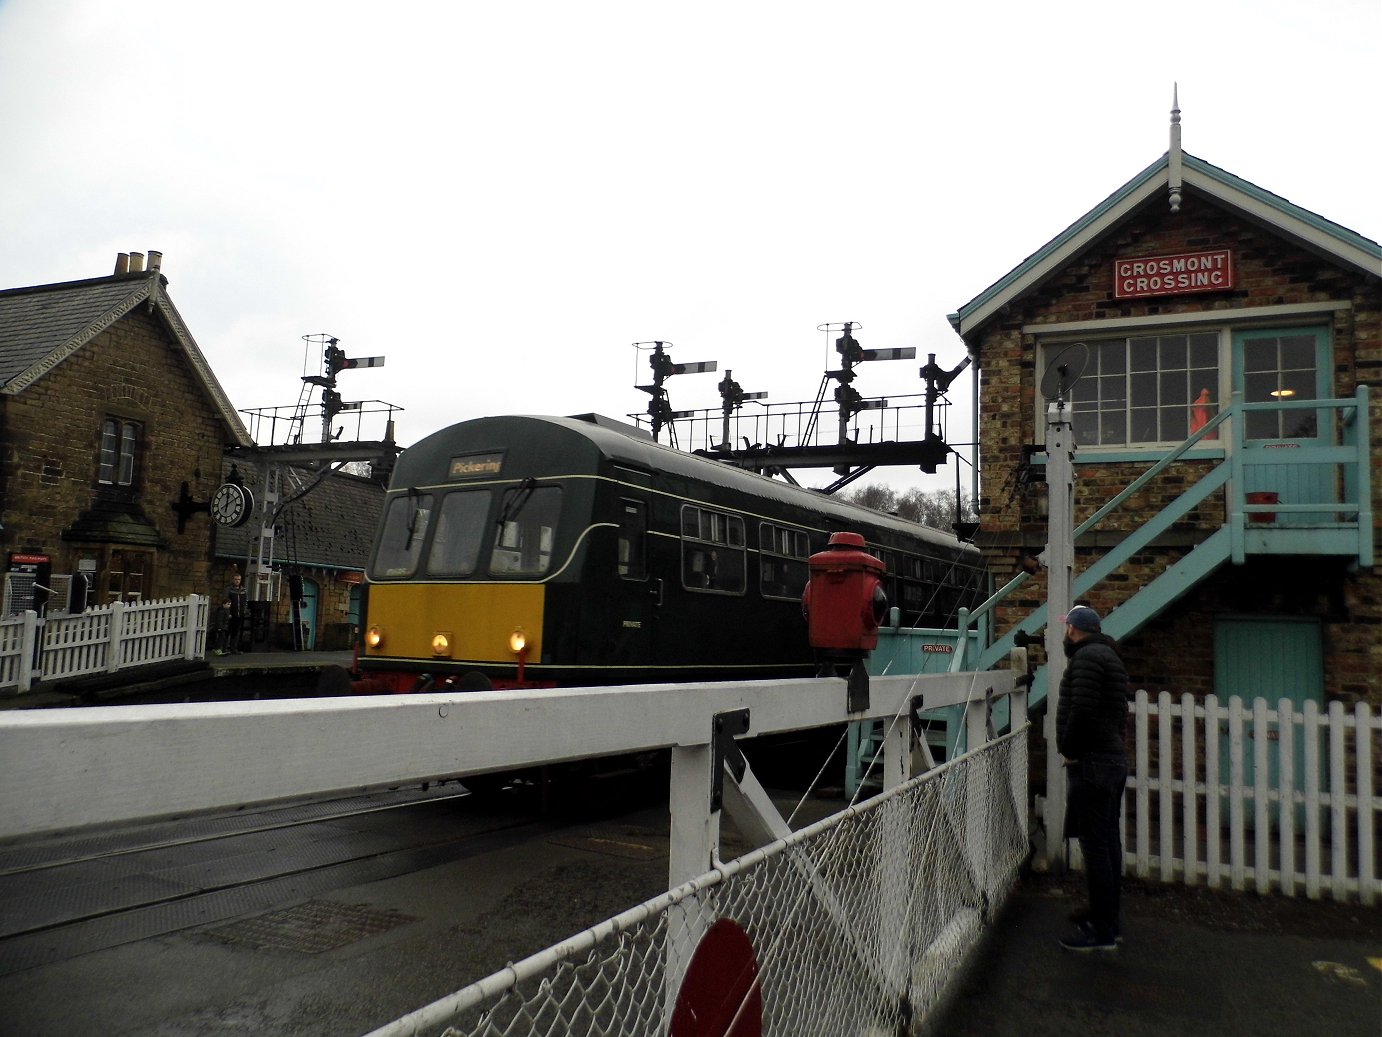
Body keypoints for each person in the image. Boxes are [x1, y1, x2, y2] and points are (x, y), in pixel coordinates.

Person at [1055, 604, 1130, 952]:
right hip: (1111, 759)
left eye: (1066, 626)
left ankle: (1102, 931)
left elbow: (1081, 710)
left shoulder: (1085, 659)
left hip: (1093, 763)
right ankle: (1108, 920)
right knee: (1108, 843)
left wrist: (1069, 748)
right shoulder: (1110, 656)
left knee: (1096, 847)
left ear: (1072, 629)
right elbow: (1119, 713)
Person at [220, 572, 247, 655]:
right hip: (230, 614)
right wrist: (227, 613)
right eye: (236, 579)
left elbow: (245, 602)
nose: (237, 581)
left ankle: (233, 649)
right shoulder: (229, 589)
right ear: (233, 580)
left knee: (236, 632)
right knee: (227, 631)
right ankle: (223, 649)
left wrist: (244, 611)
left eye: (239, 579)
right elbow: (225, 601)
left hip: (239, 614)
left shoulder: (243, 590)